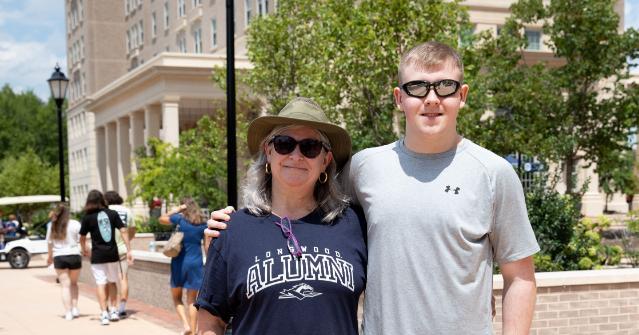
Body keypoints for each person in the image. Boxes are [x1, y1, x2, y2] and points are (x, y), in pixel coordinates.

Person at [207, 42, 539, 334]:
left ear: (462, 95)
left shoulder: (494, 173)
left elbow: (520, 278)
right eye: (418, 88)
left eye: (445, 87)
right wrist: (232, 232)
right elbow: (298, 197)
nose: (432, 99)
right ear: (399, 98)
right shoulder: (366, 167)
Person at [196, 97, 367, 335]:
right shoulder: (231, 231)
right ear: (268, 151)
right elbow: (210, 323)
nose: (296, 156)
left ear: (325, 161)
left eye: (310, 147)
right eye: (284, 144)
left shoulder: (354, 226)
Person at [79, 190, 134, 326]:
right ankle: (114, 310)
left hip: (97, 255)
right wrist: (128, 249)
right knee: (113, 282)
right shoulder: (112, 214)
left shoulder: (88, 217)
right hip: (112, 254)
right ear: (102, 200)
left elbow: (82, 236)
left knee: (100, 284)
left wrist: (84, 249)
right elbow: (123, 230)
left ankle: (104, 313)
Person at [159, 197, 210, 335]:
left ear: (184, 207)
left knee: (176, 297)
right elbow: (207, 247)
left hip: (179, 263)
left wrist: (177, 209)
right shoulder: (202, 224)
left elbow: (161, 219)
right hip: (196, 263)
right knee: (192, 300)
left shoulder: (179, 220)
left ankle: (186, 325)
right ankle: (193, 332)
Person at [46, 203, 82, 321]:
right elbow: (81, 238)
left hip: (59, 256)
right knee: (74, 283)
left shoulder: (52, 225)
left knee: (65, 286)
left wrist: (49, 256)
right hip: (74, 254)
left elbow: (50, 243)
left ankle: (68, 312)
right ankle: (75, 308)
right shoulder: (75, 224)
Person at [104, 190, 135, 317]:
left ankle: (108, 306)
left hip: (107, 249)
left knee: (107, 280)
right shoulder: (127, 211)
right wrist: (127, 241)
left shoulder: (104, 211)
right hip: (122, 249)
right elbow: (132, 229)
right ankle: (122, 307)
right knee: (123, 278)